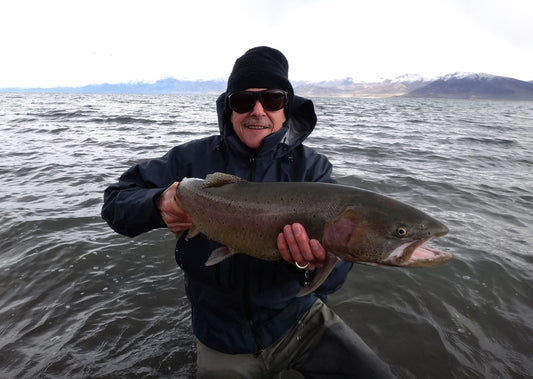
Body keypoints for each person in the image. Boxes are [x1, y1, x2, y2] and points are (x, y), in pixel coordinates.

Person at [102, 46, 395, 379]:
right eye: (243, 101)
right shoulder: (188, 160)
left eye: (271, 99)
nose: (258, 111)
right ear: (229, 110)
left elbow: (334, 277)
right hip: (222, 336)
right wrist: (158, 204)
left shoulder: (313, 169)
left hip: (299, 318)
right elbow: (114, 203)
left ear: (287, 108)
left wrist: (306, 264)